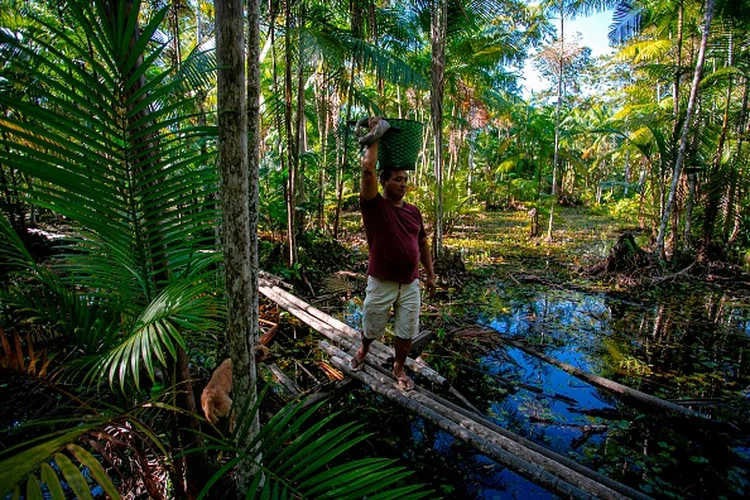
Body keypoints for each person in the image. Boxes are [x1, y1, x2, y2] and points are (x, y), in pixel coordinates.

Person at [350, 117, 436, 391]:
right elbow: (366, 171)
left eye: (405, 180)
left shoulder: (413, 211)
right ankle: (364, 349)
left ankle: (398, 367)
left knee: (407, 331)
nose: (403, 184)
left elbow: (422, 243)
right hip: (382, 281)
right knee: (372, 325)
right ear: (383, 181)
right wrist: (376, 136)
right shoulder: (374, 206)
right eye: (397, 180)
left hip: (410, 283)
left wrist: (430, 275)